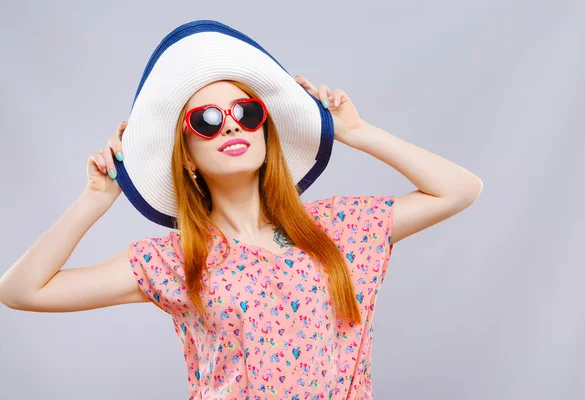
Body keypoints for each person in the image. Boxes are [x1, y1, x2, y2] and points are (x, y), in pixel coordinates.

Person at [0, 20, 482, 399]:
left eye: (246, 113)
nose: (231, 126)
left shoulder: (337, 228)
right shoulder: (176, 259)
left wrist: (355, 133)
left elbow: (459, 189)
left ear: (265, 134)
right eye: (207, 120)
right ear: (185, 154)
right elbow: (22, 290)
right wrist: (97, 199)